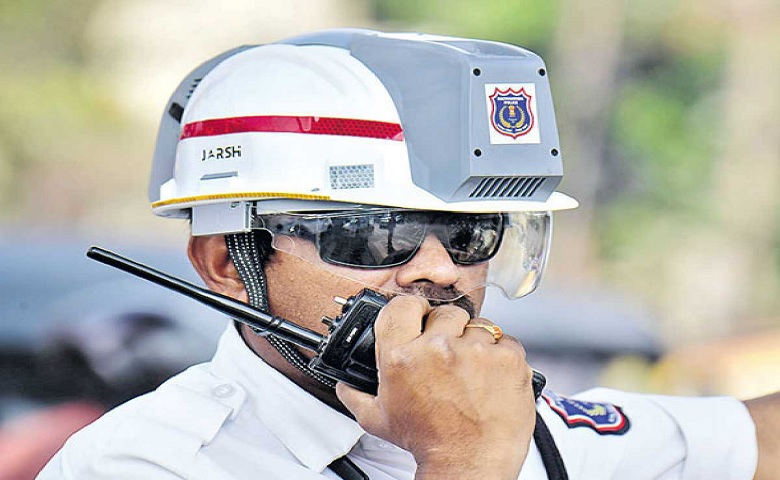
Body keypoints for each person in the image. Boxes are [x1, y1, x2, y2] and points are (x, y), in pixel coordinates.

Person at [38, 29, 779, 479]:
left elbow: (759, 440)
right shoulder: (146, 464)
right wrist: (462, 464)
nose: (440, 270)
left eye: (469, 235)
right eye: (371, 235)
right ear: (229, 263)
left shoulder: (535, 428)